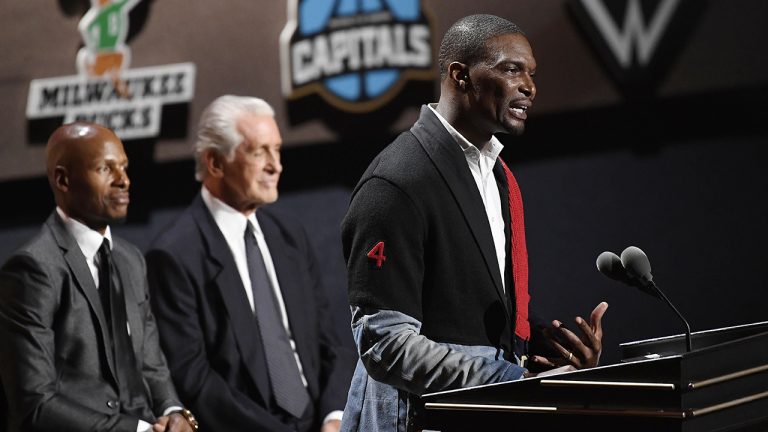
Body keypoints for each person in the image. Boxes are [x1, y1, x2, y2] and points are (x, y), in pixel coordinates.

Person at [339, 14, 609, 431]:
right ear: (460, 76)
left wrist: (550, 351)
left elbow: (470, 311)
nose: (529, 87)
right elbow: (385, 344)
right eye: (511, 69)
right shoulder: (396, 182)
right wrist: (509, 380)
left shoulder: (497, 174)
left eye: (531, 73)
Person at [144, 95, 354, 432]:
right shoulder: (174, 255)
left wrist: (334, 417)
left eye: (277, 149)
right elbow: (194, 379)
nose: (276, 165)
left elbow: (331, 345)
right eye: (259, 152)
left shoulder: (289, 235)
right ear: (215, 163)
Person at [0, 122, 196, 432]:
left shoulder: (131, 260)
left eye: (124, 167)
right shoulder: (32, 269)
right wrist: (138, 431)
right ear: (63, 179)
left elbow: (151, 364)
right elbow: (35, 404)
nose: (124, 181)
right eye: (106, 169)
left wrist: (173, 412)